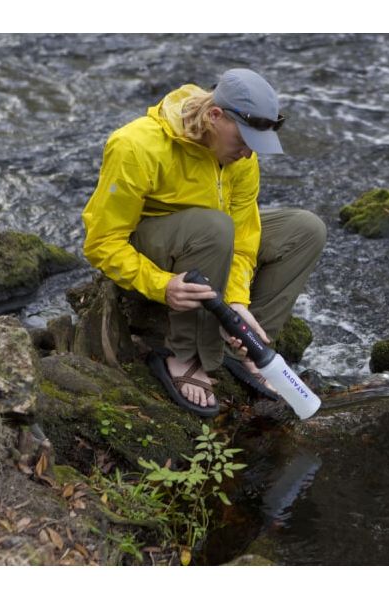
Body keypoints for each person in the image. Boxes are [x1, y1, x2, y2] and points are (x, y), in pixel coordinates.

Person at [82, 68, 326, 416]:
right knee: (214, 226)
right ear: (214, 116)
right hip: (152, 251)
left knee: (305, 229)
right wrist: (161, 285)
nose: (247, 154)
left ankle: (245, 344)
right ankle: (186, 354)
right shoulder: (135, 145)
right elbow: (101, 241)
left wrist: (238, 301)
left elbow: (244, 239)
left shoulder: (242, 158)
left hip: (213, 243)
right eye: (243, 142)